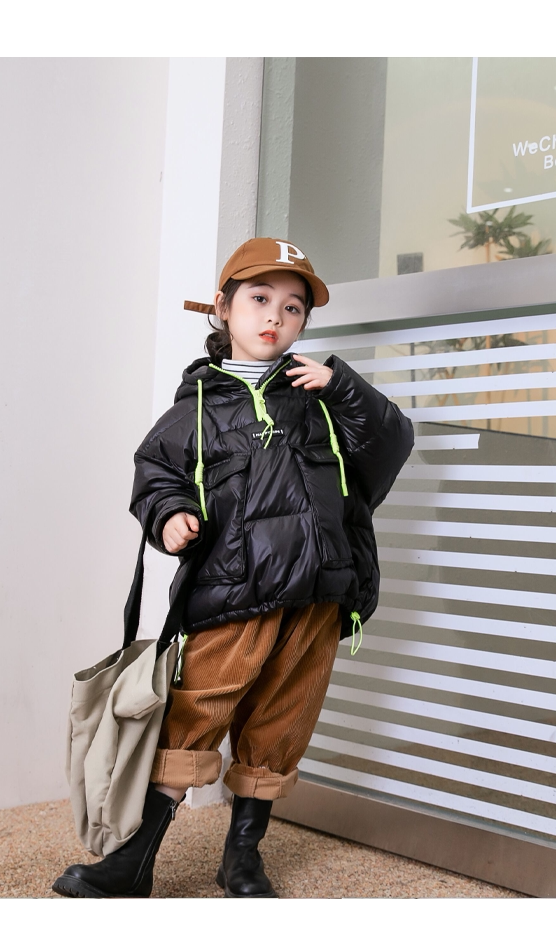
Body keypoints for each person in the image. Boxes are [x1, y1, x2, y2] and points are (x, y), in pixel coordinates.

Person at [52, 237, 414, 899]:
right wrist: (169, 515)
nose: (275, 315)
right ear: (223, 307)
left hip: (318, 591)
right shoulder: (195, 408)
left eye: (293, 307)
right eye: (259, 298)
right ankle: (134, 860)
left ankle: (243, 857)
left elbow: (390, 445)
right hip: (234, 592)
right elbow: (155, 475)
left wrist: (344, 386)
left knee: (281, 722)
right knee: (194, 713)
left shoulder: (320, 398)